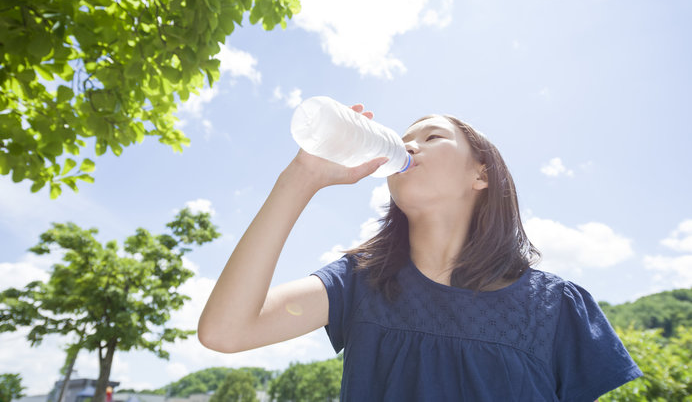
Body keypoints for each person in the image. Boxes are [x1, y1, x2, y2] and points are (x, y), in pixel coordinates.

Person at [198, 104, 642, 401]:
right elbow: (225, 332)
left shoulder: (558, 307)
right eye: (404, 139)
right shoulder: (359, 282)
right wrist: (302, 176)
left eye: (432, 137)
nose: (409, 146)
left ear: (481, 174)